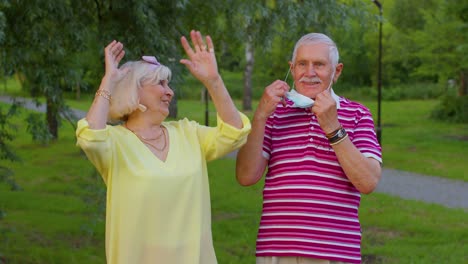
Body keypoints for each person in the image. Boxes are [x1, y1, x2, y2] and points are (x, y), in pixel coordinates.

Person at [75, 30, 251, 264]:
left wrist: (213, 81)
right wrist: (109, 80)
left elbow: (234, 134)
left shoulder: (188, 133)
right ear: (134, 90)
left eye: (169, 84)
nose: (170, 91)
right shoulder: (114, 143)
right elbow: (90, 136)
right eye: (160, 83)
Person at [236, 32, 382, 264]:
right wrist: (260, 115)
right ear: (292, 69)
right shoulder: (274, 114)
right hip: (276, 251)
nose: (310, 72)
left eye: (319, 65)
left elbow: (368, 182)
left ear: (337, 71)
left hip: (335, 253)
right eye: (302, 64)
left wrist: (333, 127)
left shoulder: (358, 114)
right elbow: (245, 176)